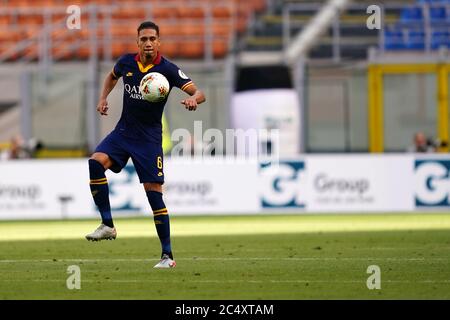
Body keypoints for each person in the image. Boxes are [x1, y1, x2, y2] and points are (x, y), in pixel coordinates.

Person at [85, 21, 206, 269]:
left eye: (152, 38)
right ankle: (108, 225)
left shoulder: (168, 69)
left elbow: (199, 93)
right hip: (123, 131)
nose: (148, 43)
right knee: (95, 163)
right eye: (143, 39)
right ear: (137, 41)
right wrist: (103, 98)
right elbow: (111, 76)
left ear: (159, 42)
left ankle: (167, 256)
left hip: (149, 139)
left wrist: (194, 100)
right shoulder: (127, 62)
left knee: (153, 195)